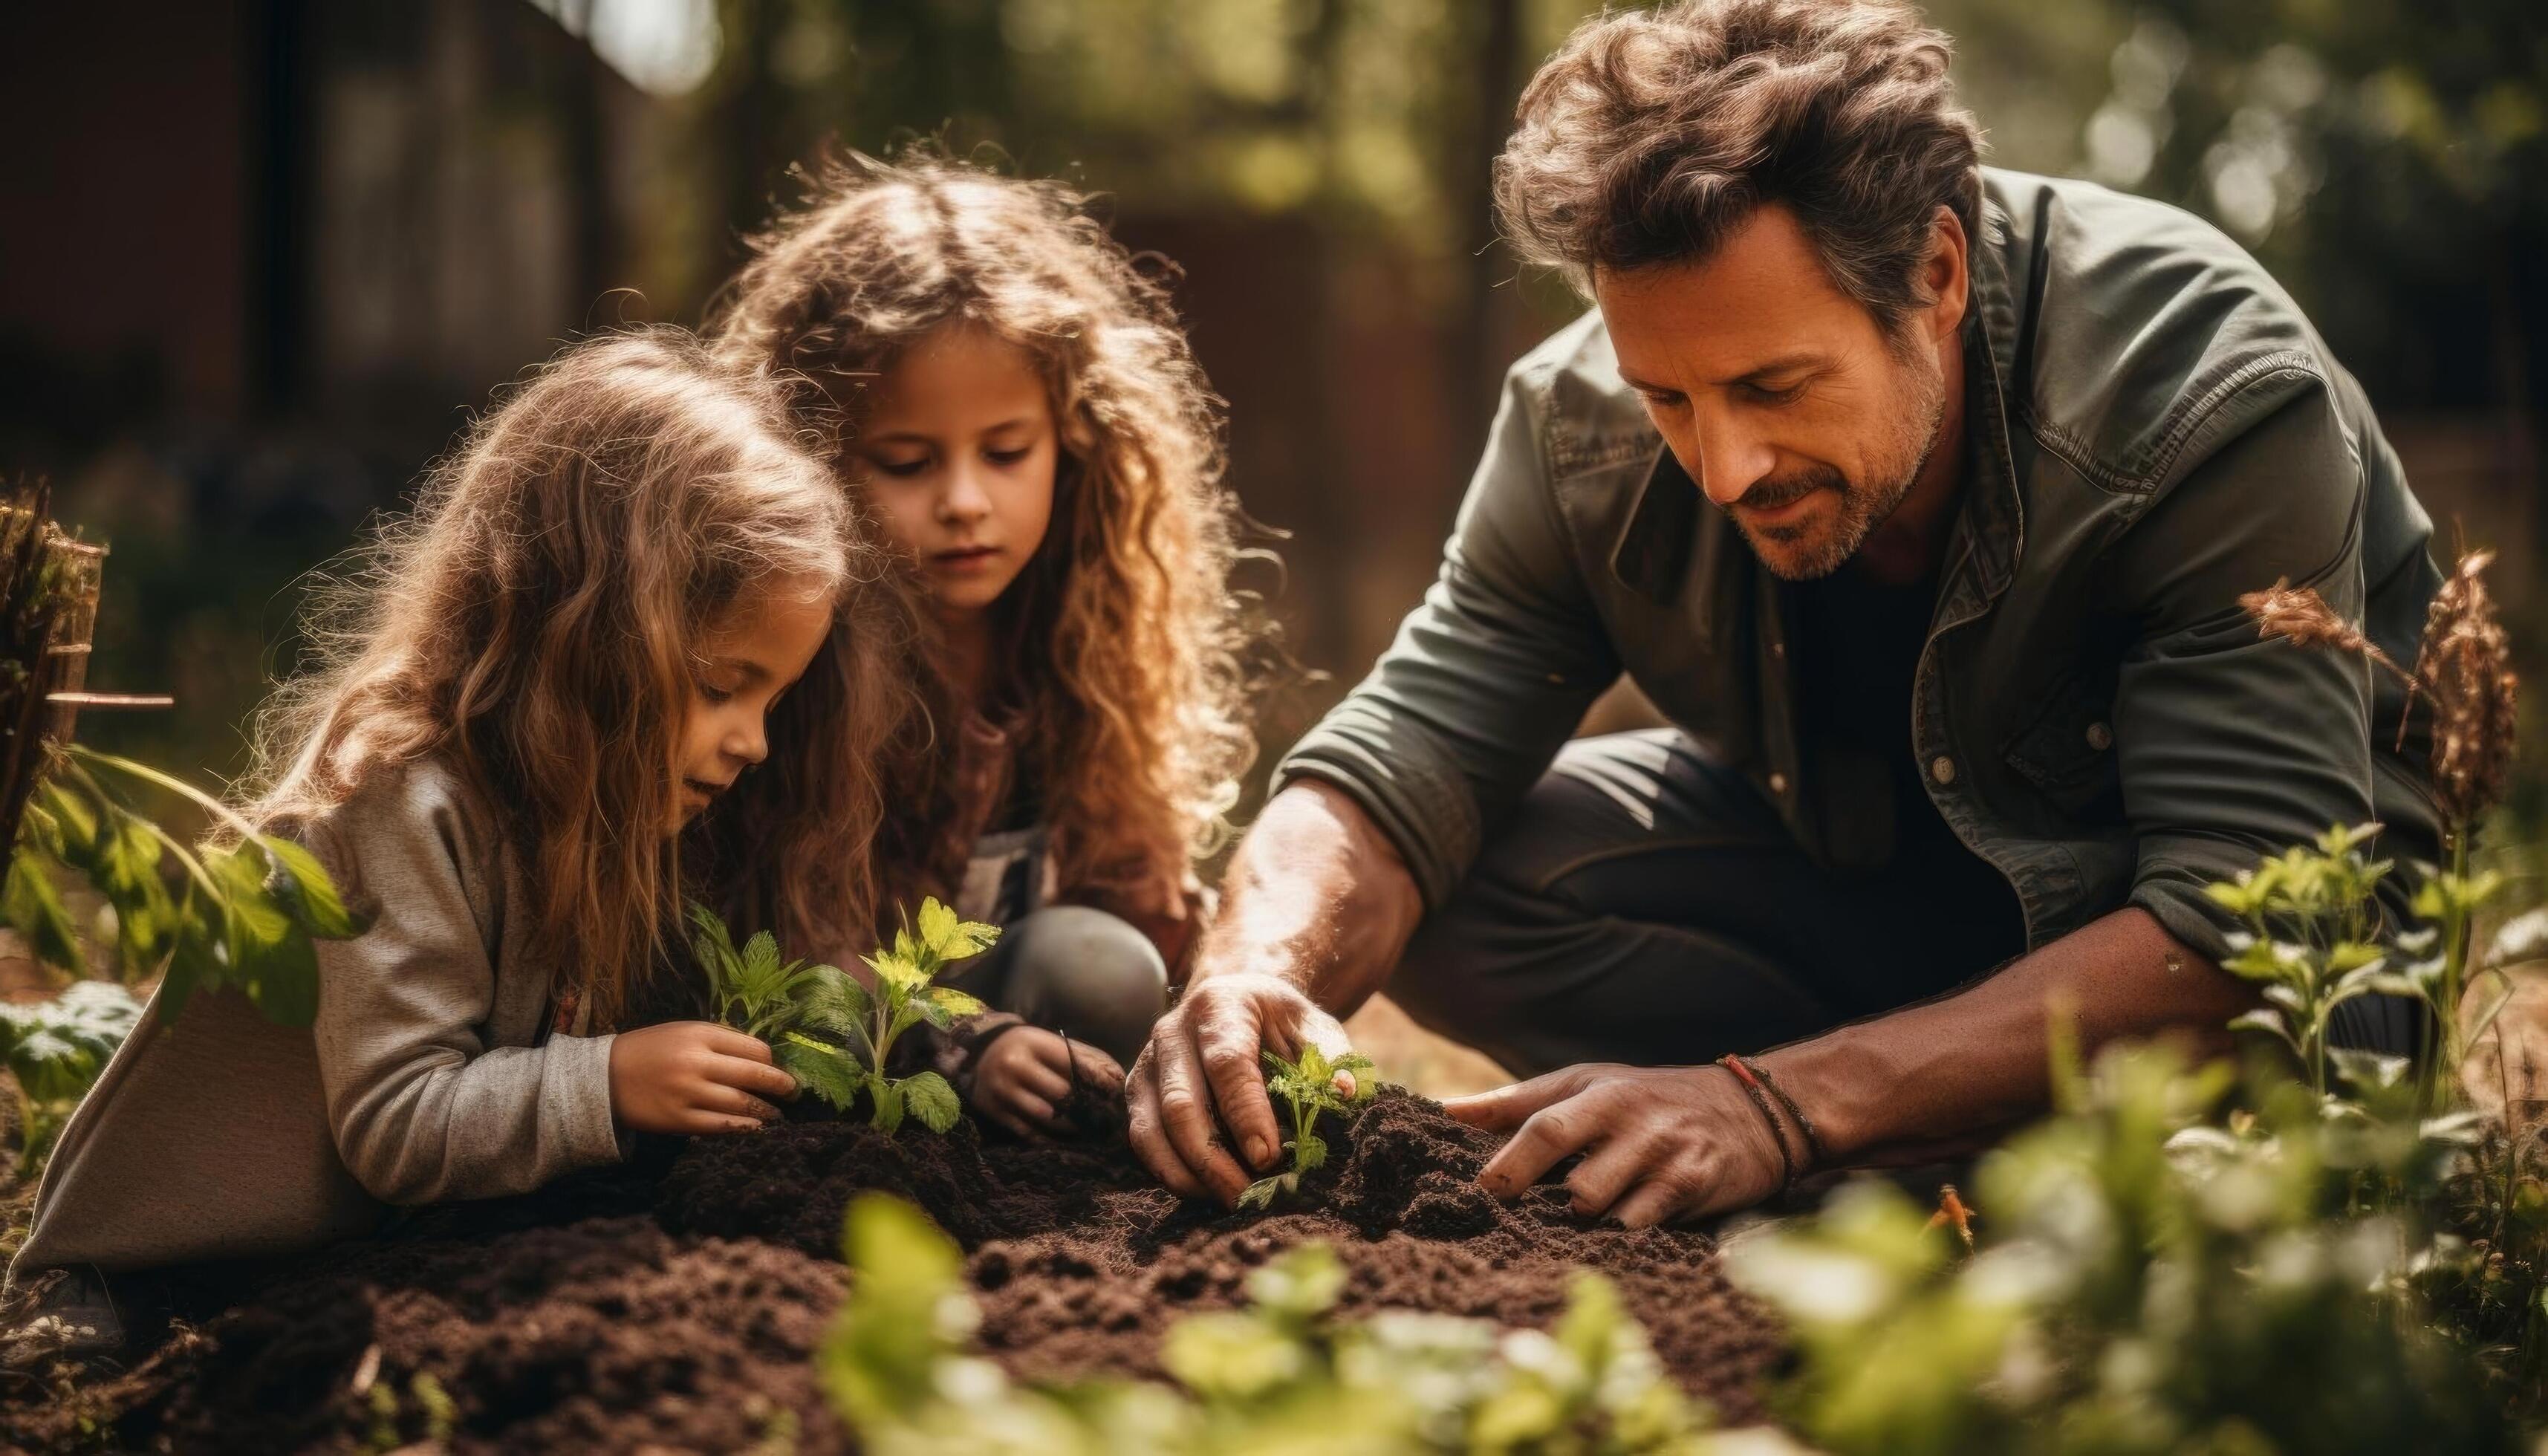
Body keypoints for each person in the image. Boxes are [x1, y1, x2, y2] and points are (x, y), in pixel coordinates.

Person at [1127, 0, 2442, 1226]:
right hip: (1886, 916)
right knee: (1467, 874)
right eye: (1670, 399)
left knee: (2261, 1089)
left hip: (2235, 1017)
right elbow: (1403, 757)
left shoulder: (2201, 399)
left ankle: (1901, 1157)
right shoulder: (1574, 422)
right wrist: (1255, 967)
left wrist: (1782, 1102)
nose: (1723, 466)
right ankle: (1905, 1161)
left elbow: (2249, 926)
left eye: (1774, 385)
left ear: (1932, 273)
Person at [14, 328, 908, 1291]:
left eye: (772, 701)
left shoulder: (589, 799)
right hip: (153, 1283)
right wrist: (607, 1081)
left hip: (353, 1255)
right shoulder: (398, 793)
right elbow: (398, 1126)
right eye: (723, 685)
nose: (754, 742)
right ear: (595, 635)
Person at [711, 153, 1264, 1140]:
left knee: (1104, 966)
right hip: (845, 1031)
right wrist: (964, 1049)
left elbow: (1125, 895)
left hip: (1019, 1036)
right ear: (812, 456)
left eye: (1006, 453)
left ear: (1074, 439)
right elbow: (794, 935)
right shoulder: (792, 662)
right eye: (906, 463)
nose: (965, 502)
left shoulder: (1082, 631)